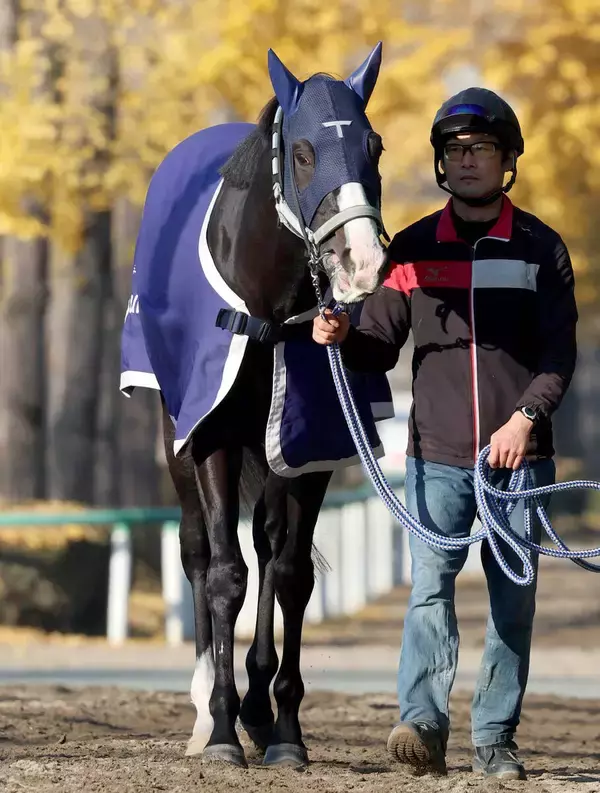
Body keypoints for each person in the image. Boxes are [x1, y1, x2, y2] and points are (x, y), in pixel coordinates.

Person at [312, 88, 578, 780]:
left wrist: (524, 419)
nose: (466, 162)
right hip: (435, 460)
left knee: (510, 603)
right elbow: (378, 344)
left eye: (480, 149)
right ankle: (421, 724)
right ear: (440, 163)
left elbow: (559, 357)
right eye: (454, 151)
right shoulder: (413, 247)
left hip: (520, 463)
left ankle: (495, 739)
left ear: (506, 160)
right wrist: (342, 334)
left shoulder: (541, 250)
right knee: (428, 590)